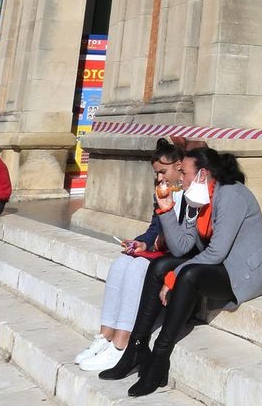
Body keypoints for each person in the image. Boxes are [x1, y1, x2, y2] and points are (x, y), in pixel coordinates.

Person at [101, 146, 262, 396]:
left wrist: (174, 276)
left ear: (202, 173)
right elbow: (181, 246)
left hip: (242, 273)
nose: (180, 178)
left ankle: (160, 357)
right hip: (219, 266)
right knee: (159, 266)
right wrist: (165, 210)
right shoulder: (197, 196)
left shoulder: (231, 195)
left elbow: (216, 252)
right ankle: (137, 347)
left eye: (184, 172)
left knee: (187, 274)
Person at [74, 139, 186, 373]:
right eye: (156, 173)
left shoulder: (190, 194)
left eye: (163, 171)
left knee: (137, 269)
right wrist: (141, 242)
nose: (159, 178)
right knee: (120, 263)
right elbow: (154, 228)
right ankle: (105, 336)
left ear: (179, 165)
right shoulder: (162, 191)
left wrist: (162, 237)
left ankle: (121, 342)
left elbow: (186, 236)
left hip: (178, 253)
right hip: (160, 249)